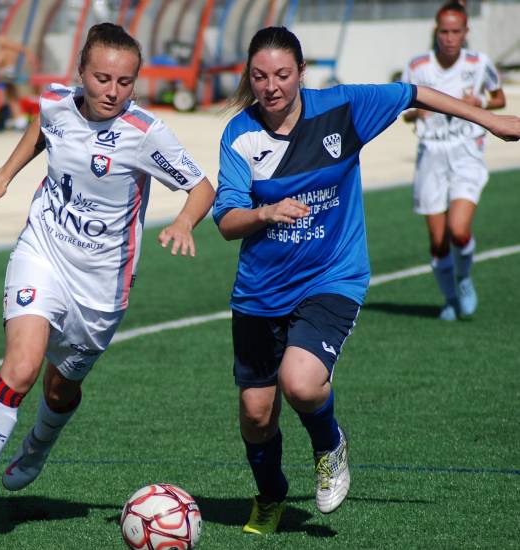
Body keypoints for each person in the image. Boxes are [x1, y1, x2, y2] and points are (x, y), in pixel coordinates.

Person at [212, 26, 518, 536]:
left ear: (301, 73)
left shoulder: (343, 108)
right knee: (255, 414)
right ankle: (270, 497)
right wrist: (265, 214)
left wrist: (491, 120)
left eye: (283, 75)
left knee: (302, 383)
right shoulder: (239, 135)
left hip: (333, 275)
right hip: (261, 290)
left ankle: (329, 445)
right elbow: (226, 222)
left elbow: (415, 92)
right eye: (260, 76)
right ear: (249, 76)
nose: (271, 87)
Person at [0, 22, 215, 536]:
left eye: (125, 81)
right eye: (103, 78)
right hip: (42, 251)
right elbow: (41, 131)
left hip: (102, 286)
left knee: (61, 387)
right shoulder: (55, 102)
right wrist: (2, 179)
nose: (113, 91)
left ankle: (39, 444)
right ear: (81, 74)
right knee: (19, 368)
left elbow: (201, 186)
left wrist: (183, 220)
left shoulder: (145, 133)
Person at [401, 2, 505, 321]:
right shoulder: (418, 66)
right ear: (436, 32)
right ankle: (449, 300)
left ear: (465, 32)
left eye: (455, 31)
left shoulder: (478, 63)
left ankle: (464, 279)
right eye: (444, 32)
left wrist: (482, 101)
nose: (449, 38)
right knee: (437, 241)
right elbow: (403, 111)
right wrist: (415, 112)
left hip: (467, 153)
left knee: (459, 231)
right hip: (431, 154)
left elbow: (498, 97)